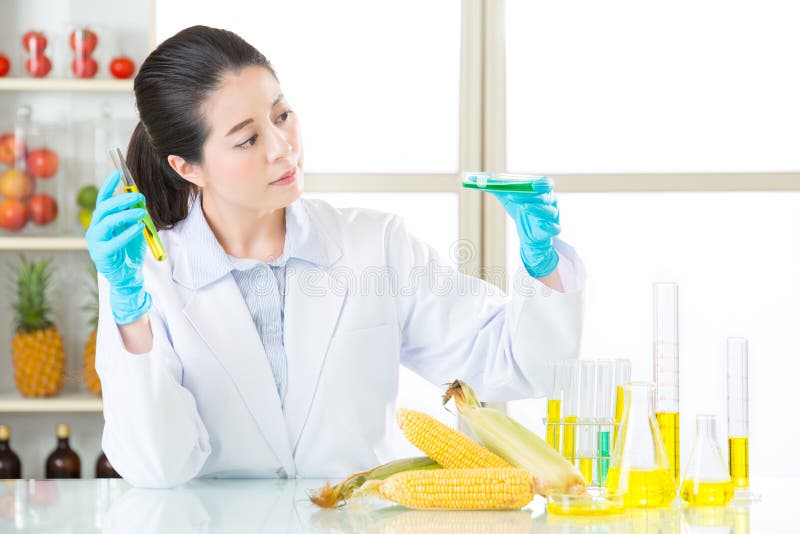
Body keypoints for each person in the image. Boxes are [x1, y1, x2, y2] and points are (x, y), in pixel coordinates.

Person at [86, 25, 585, 488]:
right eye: (247, 139)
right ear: (187, 166)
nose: (283, 148)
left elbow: (517, 366)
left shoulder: (376, 244)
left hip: (356, 519)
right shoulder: (147, 275)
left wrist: (541, 264)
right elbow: (158, 467)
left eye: (281, 115)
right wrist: (130, 314)